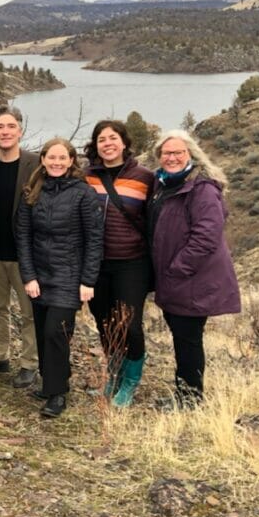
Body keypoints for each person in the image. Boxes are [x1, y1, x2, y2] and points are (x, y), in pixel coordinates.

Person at [148, 130, 240, 408]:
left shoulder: (202, 189)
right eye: (166, 153)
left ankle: (189, 400)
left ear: (191, 155)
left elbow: (206, 237)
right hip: (174, 278)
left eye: (178, 152)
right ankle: (186, 394)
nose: (172, 157)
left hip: (190, 279)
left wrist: (177, 269)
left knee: (187, 339)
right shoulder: (163, 184)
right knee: (182, 336)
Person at [15, 138, 104, 419]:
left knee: (56, 332)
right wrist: (28, 276)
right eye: (51, 157)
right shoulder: (32, 192)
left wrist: (88, 281)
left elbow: (94, 240)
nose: (56, 162)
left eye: (61, 158)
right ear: (43, 159)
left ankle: (58, 394)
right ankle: (50, 381)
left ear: (71, 161)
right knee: (43, 331)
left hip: (69, 275)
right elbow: (23, 237)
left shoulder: (83, 194)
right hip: (39, 275)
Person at [84, 119, 155, 407]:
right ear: (96, 145)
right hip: (95, 263)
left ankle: (130, 382)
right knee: (104, 323)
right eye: (102, 139)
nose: (108, 144)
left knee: (130, 325)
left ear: (124, 142)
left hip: (132, 262)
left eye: (113, 138)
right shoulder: (86, 176)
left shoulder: (145, 177)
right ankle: (113, 375)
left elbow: (156, 219)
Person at [0, 106, 39, 389]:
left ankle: (30, 363)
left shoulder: (36, 164)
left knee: (30, 312)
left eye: (10, 126)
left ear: (20, 130)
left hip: (25, 255)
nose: (5, 132)